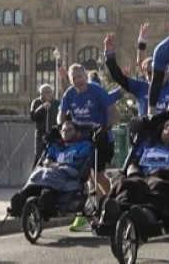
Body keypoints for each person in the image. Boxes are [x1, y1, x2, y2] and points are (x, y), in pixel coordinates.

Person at [101, 118, 169, 230]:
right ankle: (117, 210)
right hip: (141, 178)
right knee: (125, 183)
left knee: (156, 184)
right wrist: (133, 172)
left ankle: (148, 214)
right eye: (166, 126)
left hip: (162, 178)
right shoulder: (147, 146)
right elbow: (134, 162)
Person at [58, 63, 119, 230]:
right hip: (81, 139)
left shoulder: (96, 90)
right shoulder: (70, 94)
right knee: (82, 177)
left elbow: (114, 112)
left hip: (101, 138)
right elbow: (61, 115)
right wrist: (61, 127)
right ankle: (87, 213)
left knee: (98, 177)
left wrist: (106, 127)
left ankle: (114, 199)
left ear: (85, 76)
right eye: (74, 78)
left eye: (79, 76)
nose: (78, 80)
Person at [7, 120, 93, 215]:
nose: (66, 132)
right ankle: (24, 195)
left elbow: (80, 161)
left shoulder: (84, 145)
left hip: (70, 170)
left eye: (69, 130)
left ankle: (48, 195)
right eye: (63, 130)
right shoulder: (56, 145)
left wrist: (59, 165)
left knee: (52, 172)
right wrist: (48, 161)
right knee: (39, 172)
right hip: (53, 170)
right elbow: (49, 157)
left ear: (77, 132)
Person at [107, 24, 169, 118]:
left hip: (168, 130)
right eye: (149, 73)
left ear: (167, 72)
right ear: (144, 74)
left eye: (158, 72)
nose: (154, 76)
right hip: (147, 129)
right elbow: (118, 77)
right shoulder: (141, 87)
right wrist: (109, 55)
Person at [28, 84, 59, 161]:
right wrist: (42, 108)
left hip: (53, 135)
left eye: (50, 92)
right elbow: (33, 116)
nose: (49, 94)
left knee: (53, 156)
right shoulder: (36, 102)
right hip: (41, 135)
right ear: (41, 94)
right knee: (39, 157)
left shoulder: (56, 103)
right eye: (46, 92)